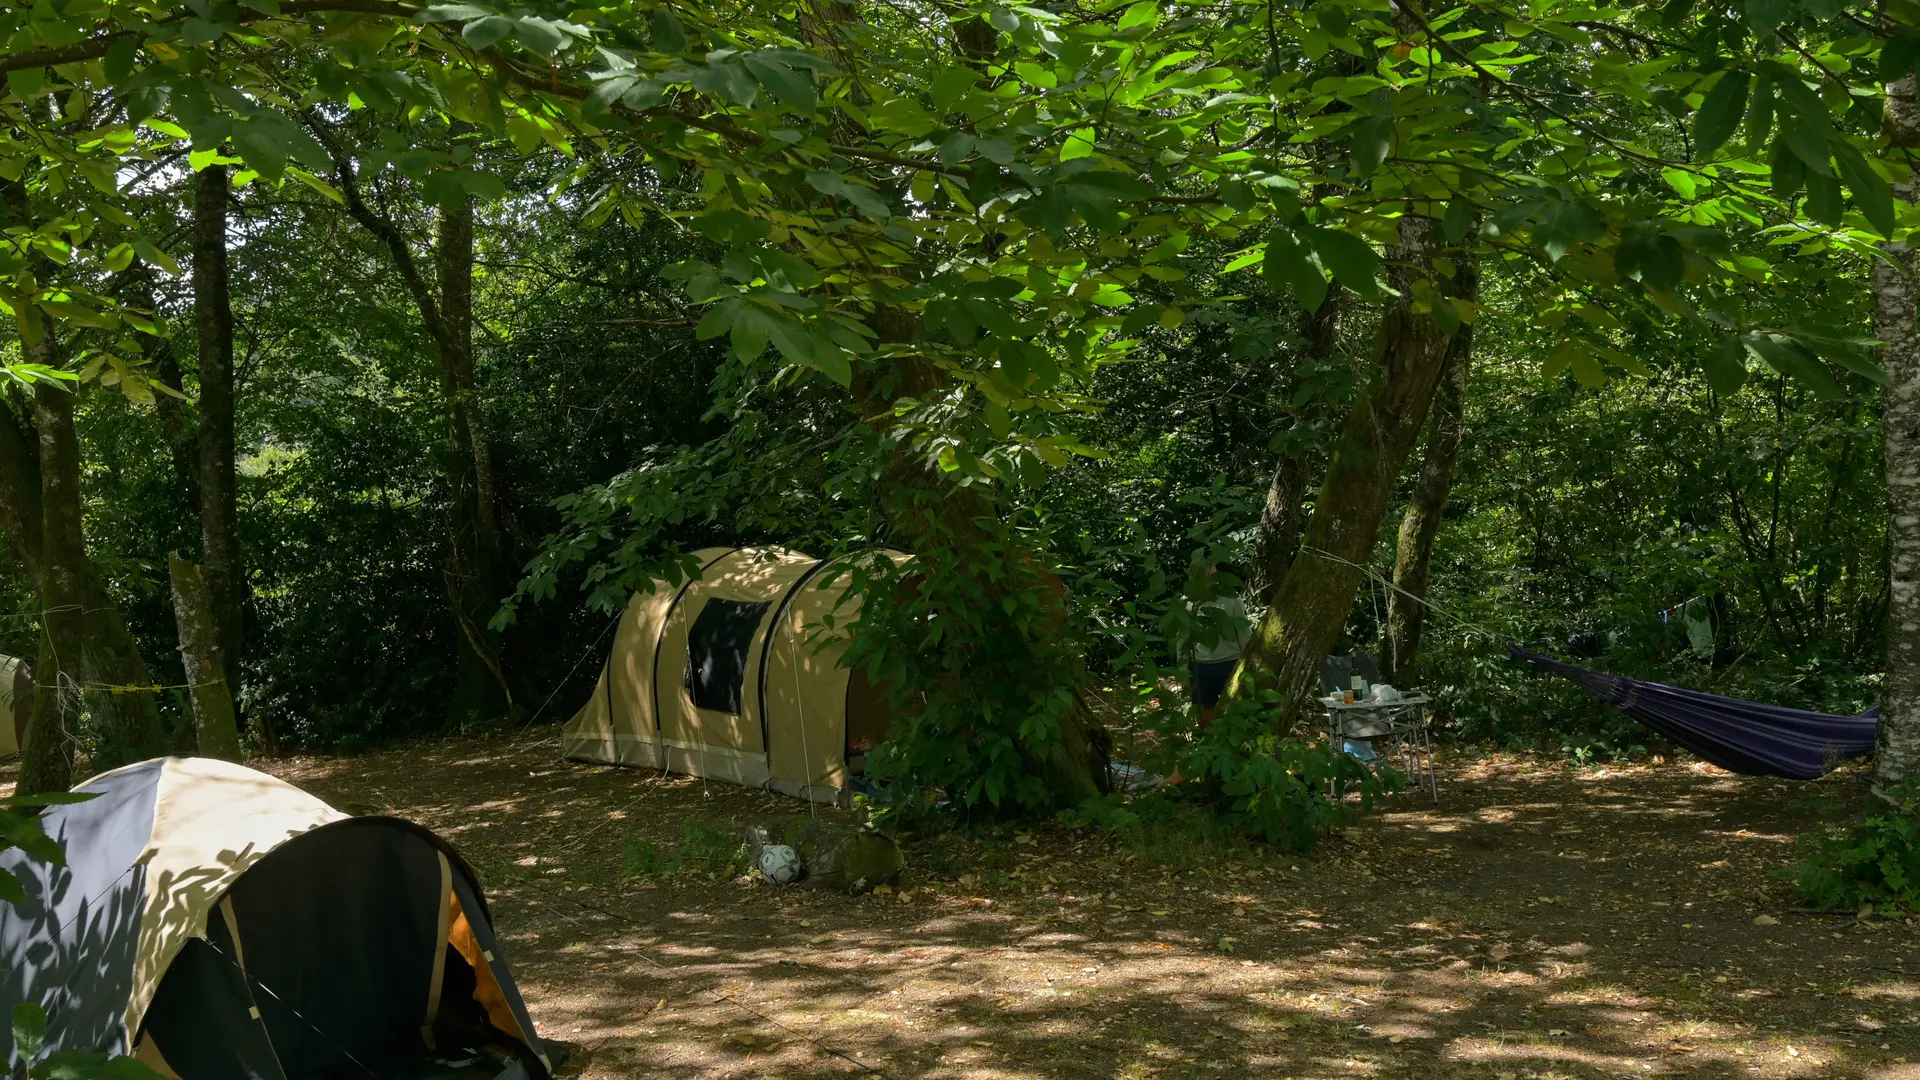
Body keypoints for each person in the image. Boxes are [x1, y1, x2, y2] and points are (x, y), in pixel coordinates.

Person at [1184, 564, 1251, 725]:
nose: (1211, 580)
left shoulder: (1232, 599)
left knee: (1234, 707)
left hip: (1229, 663)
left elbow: (1244, 633)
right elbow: (1183, 638)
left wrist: (1248, 665)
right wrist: (1183, 673)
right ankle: (1206, 743)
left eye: (1214, 575)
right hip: (1199, 665)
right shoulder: (1187, 603)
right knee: (1203, 709)